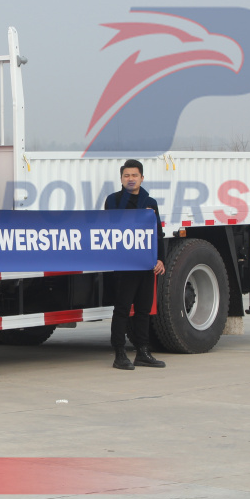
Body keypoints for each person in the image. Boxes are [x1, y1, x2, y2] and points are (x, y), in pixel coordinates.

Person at [103, 159, 167, 371]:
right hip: (125, 264)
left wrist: (160, 259)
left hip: (146, 264)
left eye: (134, 175)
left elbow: (158, 233)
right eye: (126, 176)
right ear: (121, 179)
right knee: (122, 309)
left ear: (142, 178)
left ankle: (143, 352)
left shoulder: (151, 202)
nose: (130, 179)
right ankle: (119, 354)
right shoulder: (113, 201)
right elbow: (110, 228)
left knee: (143, 310)